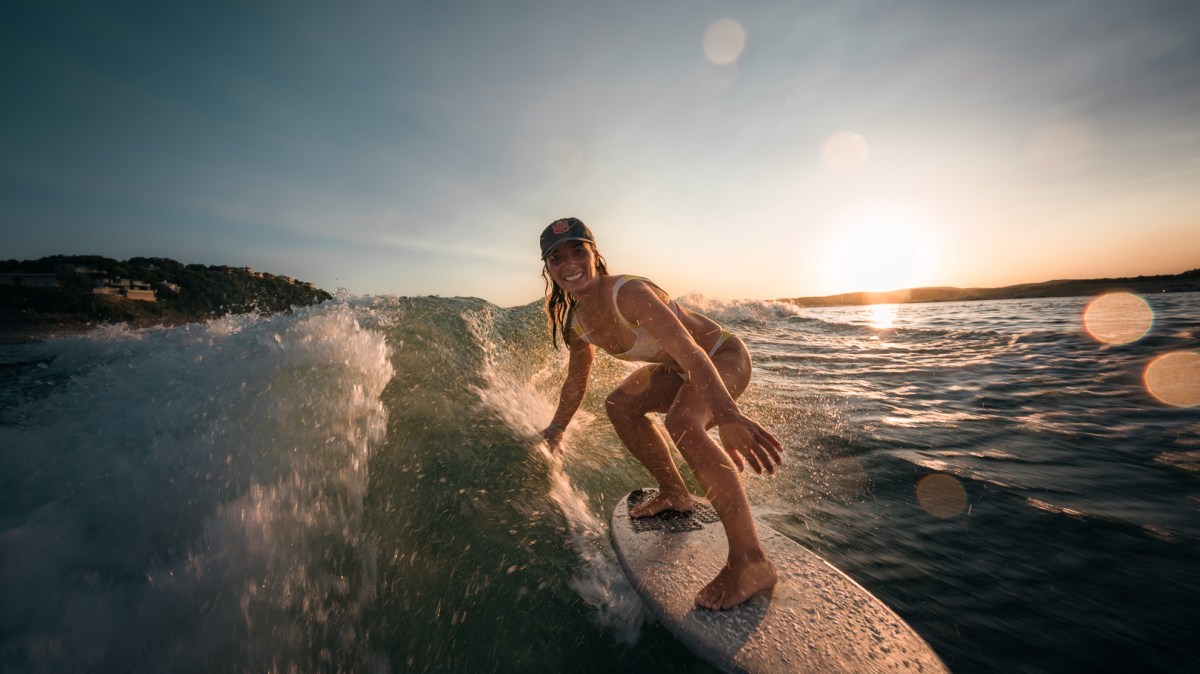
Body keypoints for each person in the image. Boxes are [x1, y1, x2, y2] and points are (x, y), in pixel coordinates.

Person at [537, 216, 784, 610]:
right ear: (548, 269)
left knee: (682, 421)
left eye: (577, 251)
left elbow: (692, 353)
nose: (568, 263)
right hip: (678, 371)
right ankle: (675, 493)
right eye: (556, 258)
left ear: (594, 254)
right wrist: (555, 429)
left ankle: (750, 561)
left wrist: (727, 414)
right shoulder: (577, 323)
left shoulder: (630, 293)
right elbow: (575, 383)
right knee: (619, 404)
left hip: (721, 356)